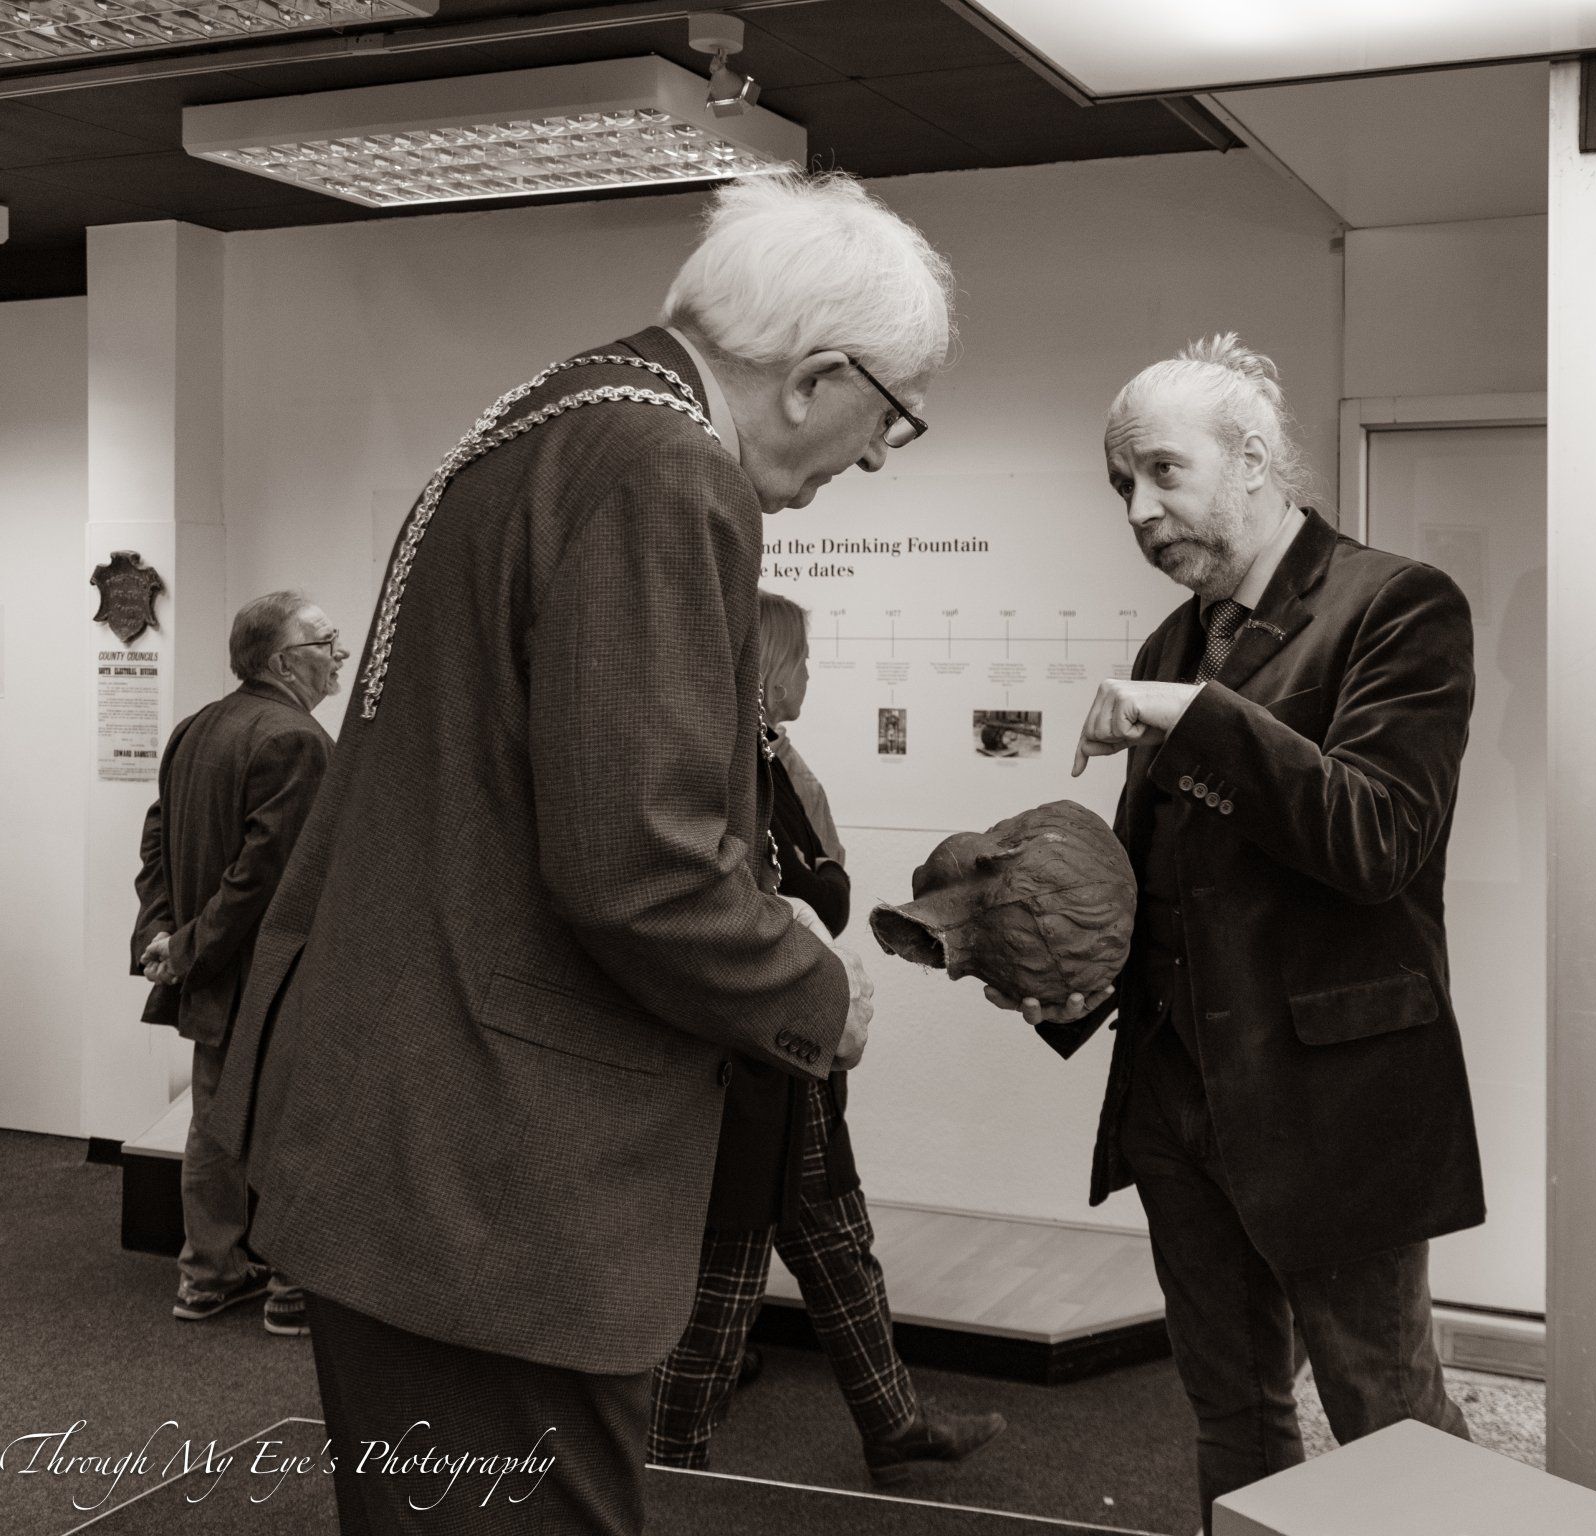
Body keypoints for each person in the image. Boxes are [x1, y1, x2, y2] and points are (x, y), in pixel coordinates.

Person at [205, 171, 955, 1534]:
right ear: (816, 376)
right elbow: (642, 864)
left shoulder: (540, 422)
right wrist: (819, 989)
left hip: (401, 1132)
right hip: (499, 1181)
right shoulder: (667, 467)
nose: (881, 454)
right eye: (891, 415)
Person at [992, 335, 1483, 1532]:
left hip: (1335, 1102)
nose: (1142, 512)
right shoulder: (1179, 641)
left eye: (1162, 472)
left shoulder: (1397, 606)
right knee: (1234, 1417)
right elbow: (1162, 881)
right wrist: (1074, 977)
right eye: (1122, 488)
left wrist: (1196, 716)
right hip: (1178, 1104)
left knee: (1387, 1410)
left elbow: (1377, 839)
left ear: (1255, 460)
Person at [649, 590, 1006, 1485]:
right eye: (801, 660)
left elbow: (821, 888)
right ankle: (667, 1460)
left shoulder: (765, 758)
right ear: (768, 669)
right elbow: (805, 892)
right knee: (725, 1274)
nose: (812, 674)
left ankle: (894, 1424)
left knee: (836, 1243)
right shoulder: (737, 766)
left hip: (784, 1050)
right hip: (747, 1055)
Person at [131, 590, 345, 1337]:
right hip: (277, 978)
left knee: (215, 1125)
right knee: (292, 1127)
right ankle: (290, 1287)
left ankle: (209, 1274)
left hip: (215, 974)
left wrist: (165, 937)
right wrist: (184, 943)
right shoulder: (298, 741)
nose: (339, 656)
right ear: (284, 660)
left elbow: (154, 845)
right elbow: (264, 878)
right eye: (326, 643)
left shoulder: (195, 729)